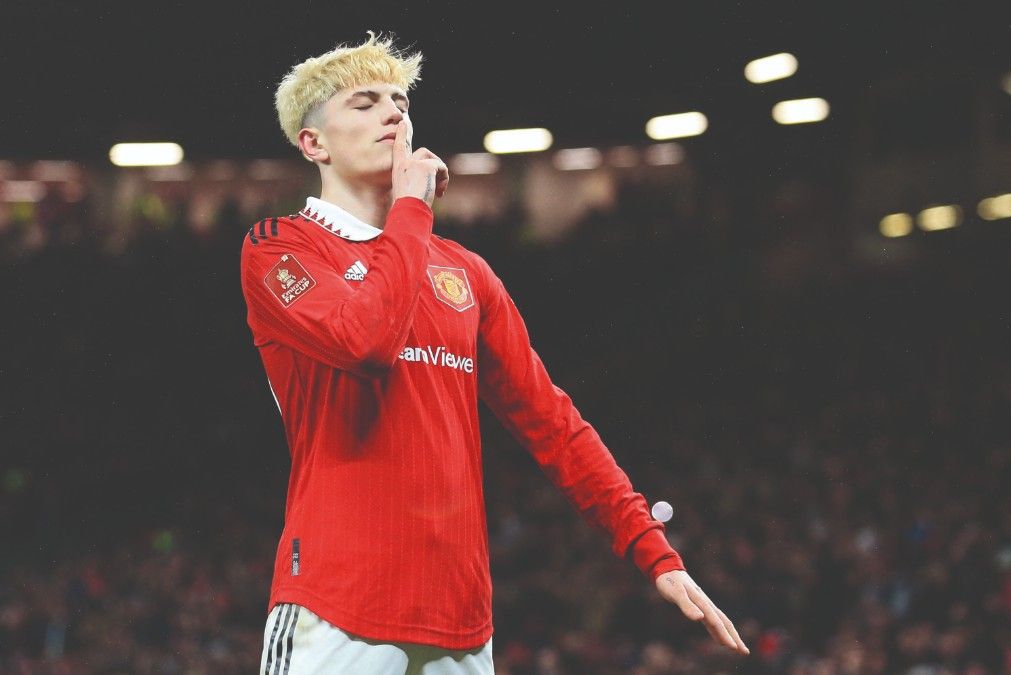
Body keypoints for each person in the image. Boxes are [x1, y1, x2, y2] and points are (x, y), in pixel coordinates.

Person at [239, 32, 749, 674]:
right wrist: (409, 211)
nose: (394, 114)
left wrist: (650, 548)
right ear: (312, 142)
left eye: (400, 100)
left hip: (460, 620)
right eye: (365, 104)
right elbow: (364, 341)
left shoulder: (466, 273)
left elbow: (553, 423)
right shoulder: (281, 249)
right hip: (336, 607)